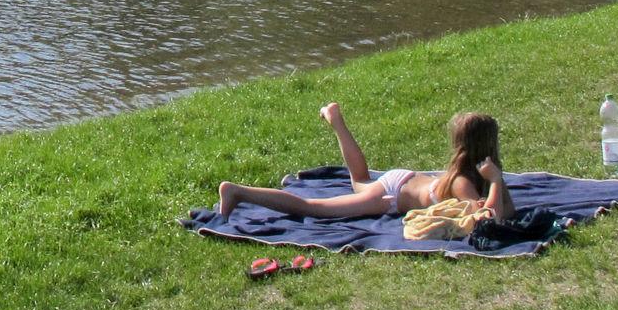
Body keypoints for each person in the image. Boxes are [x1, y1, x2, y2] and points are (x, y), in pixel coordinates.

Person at [216, 101, 514, 222]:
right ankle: (237, 191)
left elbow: (504, 211)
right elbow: (491, 219)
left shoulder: (466, 175)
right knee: (314, 209)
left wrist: (495, 181)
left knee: (359, 179)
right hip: (391, 196)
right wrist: (496, 181)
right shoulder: (464, 182)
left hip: (402, 178)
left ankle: (335, 119)